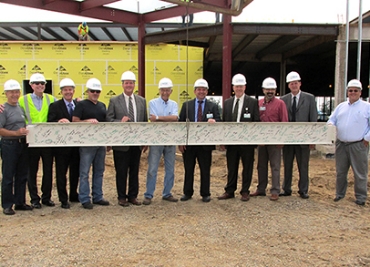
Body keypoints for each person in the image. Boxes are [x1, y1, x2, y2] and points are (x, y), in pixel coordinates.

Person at [106, 71, 147, 207]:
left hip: (136, 142)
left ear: (134, 84)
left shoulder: (141, 101)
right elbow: (109, 120)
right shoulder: (114, 101)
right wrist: (120, 122)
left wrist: (145, 141)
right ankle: (122, 197)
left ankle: (133, 196)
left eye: (131, 83)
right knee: (121, 171)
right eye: (126, 83)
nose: (129, 85)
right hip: (121, 143)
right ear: (122, 85)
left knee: (134, 171)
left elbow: (144, 122)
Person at [217, 74, 260, 202]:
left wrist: (254, 140)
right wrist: (223, 141)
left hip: (247, 143)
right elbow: (225, 123)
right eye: (236, 86)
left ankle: (245, 191)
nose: (239, 89)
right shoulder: (228, 103)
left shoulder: (252, 102)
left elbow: (256, 121)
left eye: (241, 86)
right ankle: (230, 191)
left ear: (245, 87)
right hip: (231, 142)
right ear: (233, 87)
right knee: (232, 167)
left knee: (247, 167)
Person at [327, 79, 370, 206]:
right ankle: (340, 194)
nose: (353, 93)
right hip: (341, 144)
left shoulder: (366, 107)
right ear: (347, 92)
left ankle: (361, 197)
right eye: (350, 90)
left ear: (360, 92)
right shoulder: (341, 107)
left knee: (360, 173)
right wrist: (330, 126)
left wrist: (367, 138)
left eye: (355, 91)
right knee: (340, 172)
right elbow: (331, 119)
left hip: (358, 144)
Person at [178, 78, 221, 202]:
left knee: (205, 169)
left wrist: (215, 122)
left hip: (205, 144)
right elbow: (181, 124)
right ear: (194, 91)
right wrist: (181, 142)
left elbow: (219, 120)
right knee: (189, 169)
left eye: (203, 90)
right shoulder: (187, 106)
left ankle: (205, 193)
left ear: (207, 91)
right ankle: (187, 192)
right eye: (199, 89)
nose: (201, 92)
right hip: (189, 144)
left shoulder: (213, 106)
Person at [18, 73, 56, 209]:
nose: (40, 85)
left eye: (42, 83)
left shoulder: (51, 99)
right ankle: (34, 198)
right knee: (31, 171)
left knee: (48, 170)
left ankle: (46, 197)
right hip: (31, 141)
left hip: (47, 141)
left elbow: (63, 108)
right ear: (31, 85)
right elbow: (13, 110)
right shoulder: (22, 100)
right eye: (37, 83)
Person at [280, 71, 318, 199]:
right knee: (287, 165)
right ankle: (286, 188)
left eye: (296, 83)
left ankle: (303, 190)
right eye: (291, 83)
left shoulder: (310, 98)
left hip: (303, 139)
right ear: (288, 85)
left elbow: (313, 119)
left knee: (303, 166)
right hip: (289, 139)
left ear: (300, 84)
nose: (294, 85)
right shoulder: (283, 100)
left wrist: (312, 139)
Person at [72, 78, 109, 209]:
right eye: (93, 91)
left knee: (99, 171)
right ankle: (85, 198)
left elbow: (105, 125)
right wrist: (87, 121)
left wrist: (108, 142)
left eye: (97, 91)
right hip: (87, 144)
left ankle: (97, 196)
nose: (95, 93)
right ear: (88, 91)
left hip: (100, 143)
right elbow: (75, 121)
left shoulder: (102, 105)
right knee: (84, 172)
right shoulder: (81, 105)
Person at [250, 77, 288, 201]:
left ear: (275, 90)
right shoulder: (259, 103)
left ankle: (275, 190)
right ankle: (261, 189)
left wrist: (281, 139)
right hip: (261, 141)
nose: (270, 91)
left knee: (275, 165)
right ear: (263, 90)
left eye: (272, 89)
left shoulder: (280, 103)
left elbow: (284, 122)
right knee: (261, 165)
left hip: (275, 140)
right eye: (267, 89)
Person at [143, 78, 179, 205]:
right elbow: (152, 120)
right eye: (163, 90)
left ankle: (167, 193)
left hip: (170, 140)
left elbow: (175, 118)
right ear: (159, 91)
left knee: (170, 169)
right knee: (152, 168)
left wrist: (158, 117)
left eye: (167, 90)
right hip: (156, 140)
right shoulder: (152, 103)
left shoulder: (174, 104)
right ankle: (148, 194)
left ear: (171, 91)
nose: (165, 92)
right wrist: (165, 119)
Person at [0, 80, 32, 215]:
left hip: (22, 144)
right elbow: (0, 130)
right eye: (12, 92)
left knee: (22, 175)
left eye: (17, 92)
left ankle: (20, 202)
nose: (15, 95)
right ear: (6, 93)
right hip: (9, 145)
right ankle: (7, 204)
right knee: (8, 176)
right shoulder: (3, 110)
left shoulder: (20, 108)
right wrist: (15, 133)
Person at [47, 78, 80, 209]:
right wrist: (58, 121)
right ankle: (63, 199)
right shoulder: (55, 106)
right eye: (65, 90)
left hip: (76, 145)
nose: (68, 92)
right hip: (61, 147)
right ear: (61, 92)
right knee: (61, 173)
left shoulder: (79, 105)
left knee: (75, 172)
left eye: (70, 90)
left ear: (73, 91)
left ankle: (73, 194)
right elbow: (49, 122)